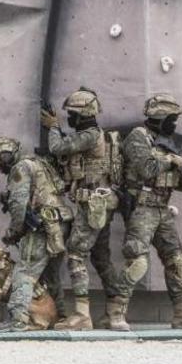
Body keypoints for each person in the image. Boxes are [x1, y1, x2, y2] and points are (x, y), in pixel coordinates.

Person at [114, 93, 182, 329]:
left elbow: (173, 180)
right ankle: (115, 313)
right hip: (141, 209)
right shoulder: (138, 138)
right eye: (171, 119)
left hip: (162, 210)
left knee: (176, 260)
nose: (174, 124)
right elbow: (146, 169)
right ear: (159, 118)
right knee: (137, 262)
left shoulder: (164, 143)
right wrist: (172, 160)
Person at [41, 87, 125, 330]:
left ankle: (82, 315)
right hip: (103, 203)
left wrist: (53, 126)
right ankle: (115, 313)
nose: (70, 118)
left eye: (72, 115)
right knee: (102, 259)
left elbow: (58, 148)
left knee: (76, 253)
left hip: (92, 205)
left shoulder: (89, 135)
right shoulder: (98, 135)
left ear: (81, 115)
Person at [0, 136, 72, 332]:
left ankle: (19, 319)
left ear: (5, 155)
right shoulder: (39, 163)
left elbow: (19, 205)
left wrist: (13, 232)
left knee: (25, 270)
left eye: (0, 165)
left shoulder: (21, 167)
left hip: (42, 227)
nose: (1, 169)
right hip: (59, 224)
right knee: (51, 274)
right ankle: (61, 317)